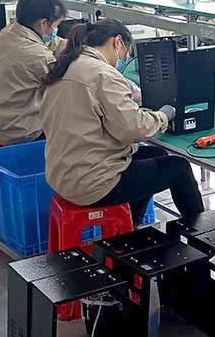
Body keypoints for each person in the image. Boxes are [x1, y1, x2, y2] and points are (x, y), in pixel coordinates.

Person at [40, 19, 204, 223]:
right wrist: (164, 115)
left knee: (157, 155)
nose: (124, 59)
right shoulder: (103, 74)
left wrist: (130, 106)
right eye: (126, 53)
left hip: (63, 173)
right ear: (117, 42)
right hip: (92, 183)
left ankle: (131, 224)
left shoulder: (67, 65)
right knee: (179, 168)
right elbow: (134, 129)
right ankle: (202, 231)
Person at [0, 0, 67, 145]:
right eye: (56, 25)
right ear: (43, 24)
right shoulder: (38, 56)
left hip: (3, 122)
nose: (56, 30)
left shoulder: (9, 32)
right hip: (24, 132)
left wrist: (78, 45)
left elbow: (53, 43)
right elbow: (65, 85)